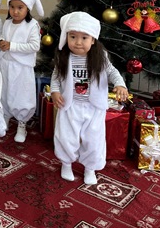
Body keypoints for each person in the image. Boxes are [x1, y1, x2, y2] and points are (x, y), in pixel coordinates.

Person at [50, 11, 129, 185]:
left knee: (94, 139)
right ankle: (66, 163)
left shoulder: (100, 57)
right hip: (70, 105)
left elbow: (112, 72)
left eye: (84, 38)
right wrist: (55, 92)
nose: (78, 42)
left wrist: (120, 84)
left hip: (93, 107)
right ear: (66, 37)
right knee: (66, 137)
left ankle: (90, 168)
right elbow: (56, 77)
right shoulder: (64, 57)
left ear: (93, 39)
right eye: (73, 37)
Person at [0, 0, 43, 143]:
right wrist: (0, 42)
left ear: (27, 8)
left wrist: (12, 46)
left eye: (20, 8)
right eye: (12, 7)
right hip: (5, 65)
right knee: (4, 92)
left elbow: (34, 46)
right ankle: (5, 116)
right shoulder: (8, 23)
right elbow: (1, 36)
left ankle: (22, 123)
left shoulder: (32, 25)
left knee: (21, 95)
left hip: (22, 68)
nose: (15, 11)